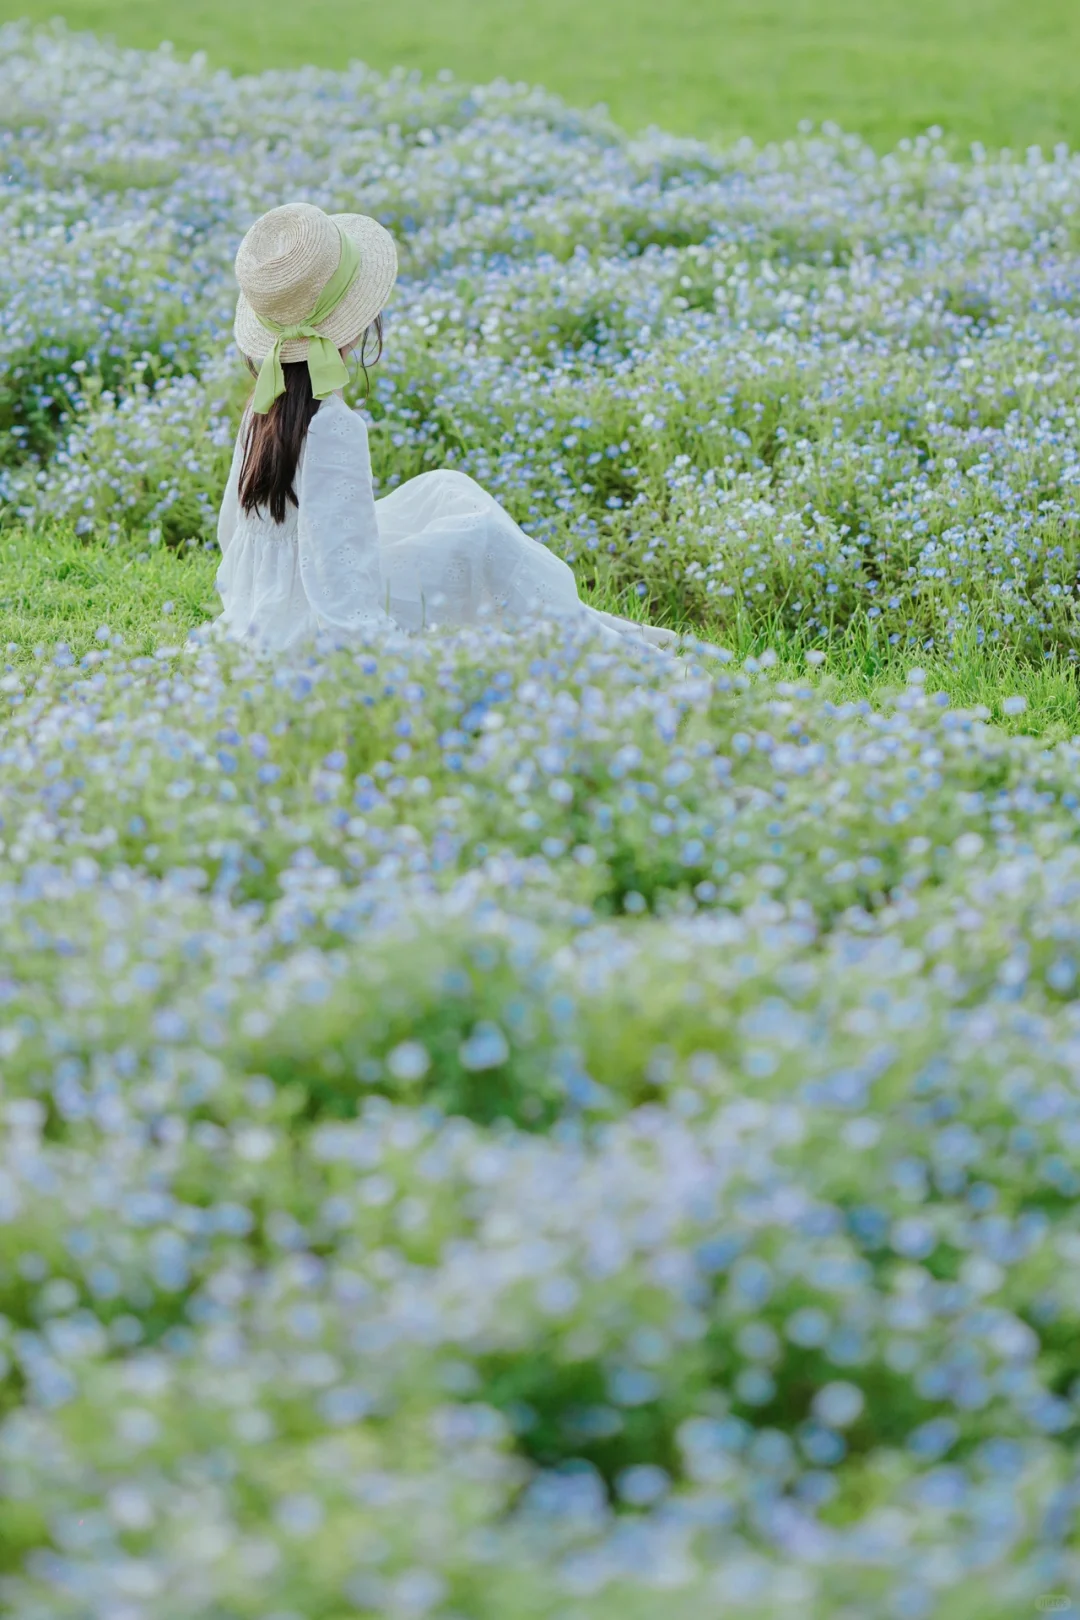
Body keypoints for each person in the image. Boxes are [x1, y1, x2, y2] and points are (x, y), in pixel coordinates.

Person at [214, 202, 680, 654]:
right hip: (315, 619)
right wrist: (374, 652)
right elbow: (342, 583)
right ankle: (599, 643)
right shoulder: (333, 426)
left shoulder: (262, 410)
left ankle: (587, 624)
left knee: (445, 488)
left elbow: (234, 536)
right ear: (353, 325)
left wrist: (252, 604)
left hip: (266, 601)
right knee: (480, 540)